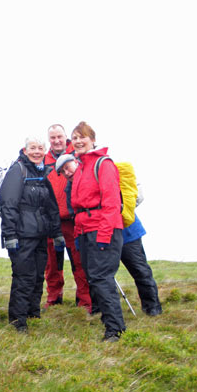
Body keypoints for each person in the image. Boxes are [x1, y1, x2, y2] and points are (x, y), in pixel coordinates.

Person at [56, 154, 163, 317]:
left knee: (139, 269)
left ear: (76, 163)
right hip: (94, 236)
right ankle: (100, 310)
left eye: (68, 167)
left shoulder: (101, 171)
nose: (67, 172)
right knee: (95, 274)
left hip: (126, 231)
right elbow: (76, 216)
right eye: (63, 171)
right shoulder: (70, 189)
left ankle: (152, 308)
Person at [0, 137, 63, 333]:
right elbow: (8, 205)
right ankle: (18, 320)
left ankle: (33, 313)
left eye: (40, 148)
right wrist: (10, 235)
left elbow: (51, 206)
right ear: (25, 151)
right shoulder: (17, 171)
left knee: (37, 276)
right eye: (32, 148)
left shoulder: (42, 173)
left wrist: (57, 233)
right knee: (23, 277)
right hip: (22, 236)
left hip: (41, 235)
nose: (37, 151)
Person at [69, 121, 126, 342]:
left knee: (102, 278)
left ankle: (115, 329)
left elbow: (112, 204)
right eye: (74, 138)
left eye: (82, 137)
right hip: (85, 232)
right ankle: (109, 322)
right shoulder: (81, 167)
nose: (78, 141)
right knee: (94, 278)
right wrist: (77, 235)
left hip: (103, 230)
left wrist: (104, 236)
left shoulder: (103, 164)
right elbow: (78, 206)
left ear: (92, 139)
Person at [43, 124, 91, 312]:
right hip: (51, 221)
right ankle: (54, 297)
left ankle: (85, 300)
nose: (56, 141)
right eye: (52, 138)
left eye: (59, 137)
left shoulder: (78, 155)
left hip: (73, 220)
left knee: (79, 261)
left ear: (66, 137)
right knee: (52, 264)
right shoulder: (42, 161)